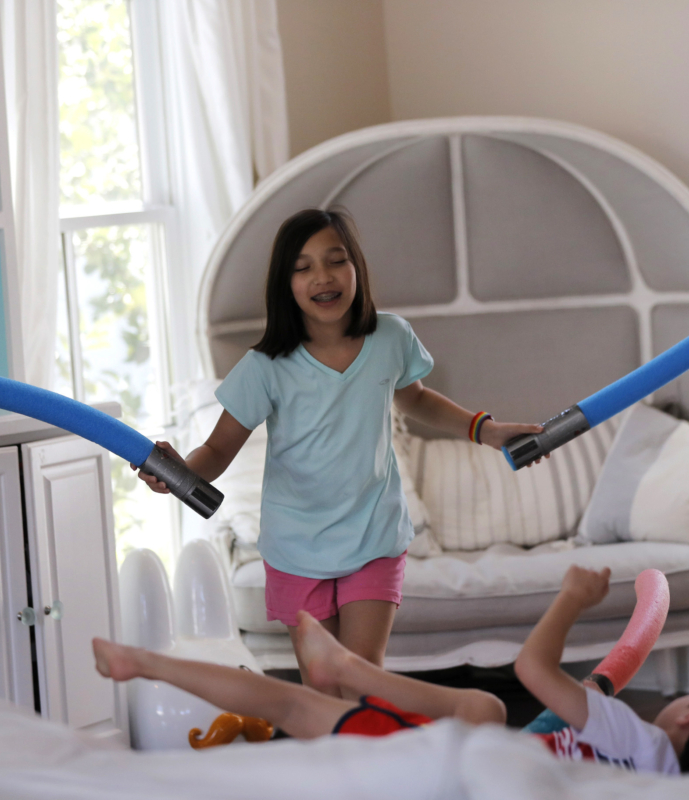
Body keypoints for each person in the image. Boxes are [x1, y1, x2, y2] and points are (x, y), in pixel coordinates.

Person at [135, 208, 543, 693]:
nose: (322, 277)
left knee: (363, 675)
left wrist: (486, 430)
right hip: (295, 547)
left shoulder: (390, 337)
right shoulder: (264, 366)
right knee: (323, 685)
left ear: (357, 269)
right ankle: (332, 766)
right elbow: (219, 449)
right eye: (303, 267)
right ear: (284, 283)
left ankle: (371, 765)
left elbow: (413, 397)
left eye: (336, 260)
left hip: (373, 534)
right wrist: (176, 473)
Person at [93, 564, 689, 778]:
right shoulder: (661, 780)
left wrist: (572, 599)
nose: (684, 695)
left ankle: (147, 662)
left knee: (287, 705)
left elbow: (534, 668)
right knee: (487, 718)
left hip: (439, 768)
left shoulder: (641, 737)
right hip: (485, 760)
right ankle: (339, 662)